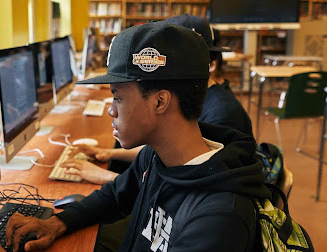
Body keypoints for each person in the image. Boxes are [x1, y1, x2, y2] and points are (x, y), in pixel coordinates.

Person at [0, 21, 268, 252]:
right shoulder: (161, 157)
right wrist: (57, 223)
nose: (111, 109)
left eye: (118, 97)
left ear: (160, 102)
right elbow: (116, 195)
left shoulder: (219, 219)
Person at [62, 15, 253, 185]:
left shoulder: (222, 115)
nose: (170, 73)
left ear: (210, 65)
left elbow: (194, 180)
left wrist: (107, 176)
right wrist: (110, 153)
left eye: (179, 61)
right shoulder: (166, 140)